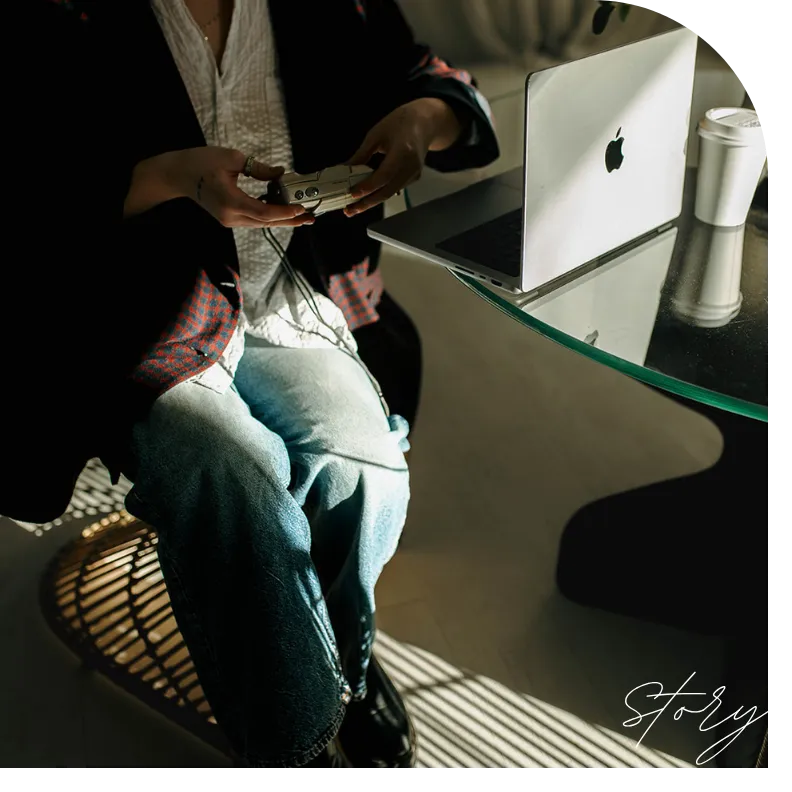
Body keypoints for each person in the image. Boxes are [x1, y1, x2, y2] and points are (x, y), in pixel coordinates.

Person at [6, 0, 498, 769]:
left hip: (292, 300)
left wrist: (417, 122)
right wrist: (166, 178)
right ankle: (294, 745)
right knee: (236, 480)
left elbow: (433, 83)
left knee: (361, 472)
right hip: (137, 319)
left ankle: (340, 664)